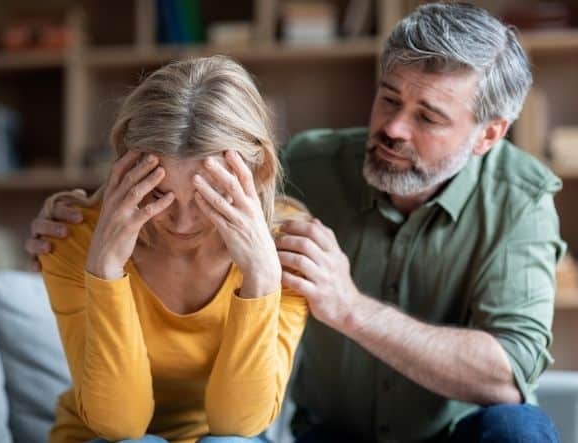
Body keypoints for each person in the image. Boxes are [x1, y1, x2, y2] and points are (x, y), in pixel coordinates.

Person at [28, 4, 565, 443]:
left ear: (489, 135)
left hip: (453, 434)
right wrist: (89, 221)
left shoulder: (521, 201)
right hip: (328, 435)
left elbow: (510, 374)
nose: (393, 127)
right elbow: (195, 151)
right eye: (388, 98)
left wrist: (347, 306)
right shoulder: (308, 165)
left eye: (428, 117)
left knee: (518, 427)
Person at [32, 56, 309, 443]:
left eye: (207, 197)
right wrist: (106, 268)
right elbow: (120, 426)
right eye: (159, 195)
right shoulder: (73, 236)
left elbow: (240, 425)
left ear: (258, 172)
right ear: (125, 170)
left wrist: (261, 277)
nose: (182, 223)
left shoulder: (289, 246)